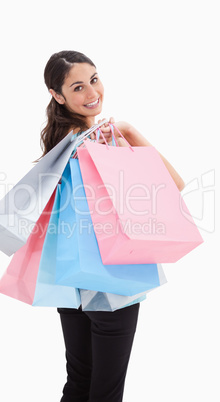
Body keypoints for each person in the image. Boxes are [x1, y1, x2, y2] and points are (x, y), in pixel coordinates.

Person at [39, 50, 184, 402]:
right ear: (58, 96)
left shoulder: (59, 141)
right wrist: (130, 131)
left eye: (94, 80)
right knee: (106, 392)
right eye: (78, 87)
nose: (92, 93)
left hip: (70, 281)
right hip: (111, 282)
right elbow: (173, 185)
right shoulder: (102, 140)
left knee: (79, 381)